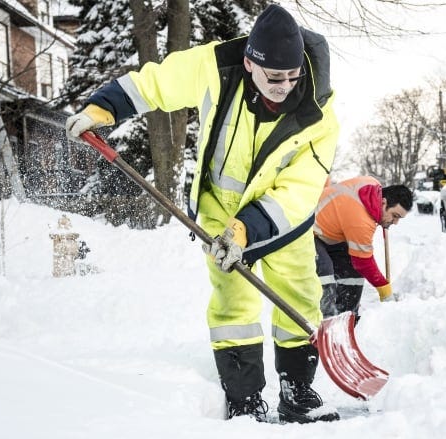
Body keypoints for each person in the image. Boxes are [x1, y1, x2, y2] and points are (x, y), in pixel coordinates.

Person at [65, 4, 339, 424]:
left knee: (298, 294)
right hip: (218, 206)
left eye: (292, 76)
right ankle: (244, 398)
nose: (284, 86)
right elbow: (157, 83)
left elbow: (300, 189)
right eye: (274, 77)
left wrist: (247, 229)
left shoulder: (319, 113)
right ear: (249, 63)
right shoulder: (216, 66)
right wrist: (104, 108)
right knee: (233, 302)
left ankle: (298, 389)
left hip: (282, 218)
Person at [313, 176, 413, 318]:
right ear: (383, 203)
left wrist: (384, 219)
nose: (395, 222)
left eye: (398, 218)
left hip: (333, 232)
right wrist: (385, 291)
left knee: (352, 272)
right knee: (325, 272)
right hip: (309, 230)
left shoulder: (373, 185)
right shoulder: (360, 220)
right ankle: (324, 321)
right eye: (394, 216)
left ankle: (349, 318)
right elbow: (363, 262)